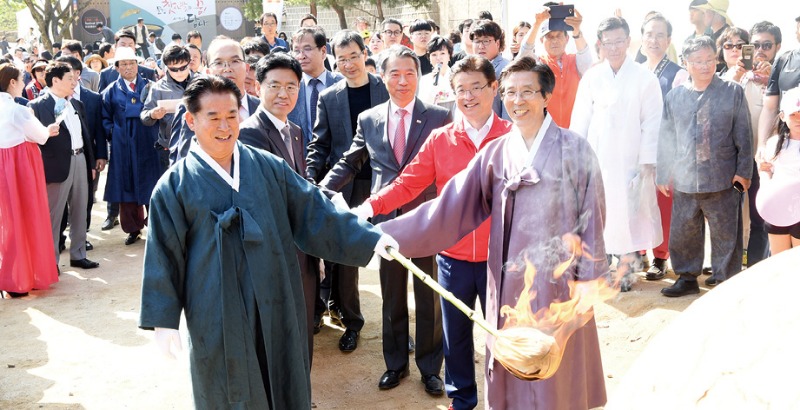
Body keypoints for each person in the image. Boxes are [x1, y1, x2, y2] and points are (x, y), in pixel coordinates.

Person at [139, 74, 397, 409]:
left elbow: (313, 209)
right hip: (216, 305)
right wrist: (164, 320)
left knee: (282, 371)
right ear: (190, 120)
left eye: (232, 115)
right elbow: (163, 255)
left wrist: (369, 238)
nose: (224, 126)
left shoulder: (268, 167)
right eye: (213, 117)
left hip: (276, 293)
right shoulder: (174, 185)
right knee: (227, 381)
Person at [378, 56, 608, 410]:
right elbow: (451, 206)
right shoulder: (497, 153)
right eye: (512, 92)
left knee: (556, 361)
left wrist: (588, 280)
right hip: (510, 281)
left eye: (528, 91)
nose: (518, 101)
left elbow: (593, 219)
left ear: (546, 95)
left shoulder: (575, 149)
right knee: (512, 358)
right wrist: (388, 234)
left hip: (560, 281)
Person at [353, 54, 511, 410]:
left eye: (476, 87)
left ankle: (504, 399)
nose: (468, 96)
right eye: (460, 90)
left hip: (499, 259)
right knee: (455, 337)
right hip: (452, 258)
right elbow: (408, 183)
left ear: (494, 88)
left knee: (501, 335)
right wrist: (369, 207)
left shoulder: (511, 138)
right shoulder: (442, 139)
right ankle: (463, 401)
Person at [320, 45, 449, 394]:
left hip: (425, 218)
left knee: (428, 296)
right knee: (392, 294)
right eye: (395, 73)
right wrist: (321, 189)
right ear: (383, 75)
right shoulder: (370, 118)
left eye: (410, 73)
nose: (403, 80)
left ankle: (430, 368)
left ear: (419, 77)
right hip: (386, 221)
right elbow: (351, 161)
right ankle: (395, 365)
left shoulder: (439, 116)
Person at [305, 29, 390, 352]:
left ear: (365, 54)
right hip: (346, 186)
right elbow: (320, 142)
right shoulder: (330, 97)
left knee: (391, 255)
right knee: (348, 258)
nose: (349, 64)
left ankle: (397, 328)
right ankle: (352, 322)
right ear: (334, 61)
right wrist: (311, 177)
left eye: (354, 56)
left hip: (385, 184)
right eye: (342, 59)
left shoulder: (386, 89)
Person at [238, 52, 323, 368]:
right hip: (272, 254)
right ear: (258, 86)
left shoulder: (297, 131)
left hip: (301, 251)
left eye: (291, 86)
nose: (283, 94)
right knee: (275, 339)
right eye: (274, 85)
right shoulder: (248, 134)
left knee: (301, 333)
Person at [570, 17, 663, 291]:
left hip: (631, 160)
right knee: (599, 215)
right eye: (607, 42)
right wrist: (578, 159)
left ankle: (626, 273)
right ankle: (600, 270)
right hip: (597, 160)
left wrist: (647, 162)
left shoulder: (644, 77)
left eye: (619, 41)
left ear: (628, 41)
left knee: (629, 216)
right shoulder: (591, 77)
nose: (614, 47)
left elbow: (652, 121)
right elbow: (580, 120)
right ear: (600, 44)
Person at [657, 36, 752, 296]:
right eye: (697, 61)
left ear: (716, 59)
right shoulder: (675, 96)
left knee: (725, 235)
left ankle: (726, 281)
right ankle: (687, 278)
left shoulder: (732, 92)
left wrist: (744, 171)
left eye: (709, 59)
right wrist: (663, 172)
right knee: (684, 233)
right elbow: (667, 136)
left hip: (723, 178)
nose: (704, 65)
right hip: (686, 179)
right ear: (686, 63)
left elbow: (743, 133)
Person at [28, 62, 99, 271]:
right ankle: (50, 261)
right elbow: (34, 139)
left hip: (80, 160)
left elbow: (86, 135)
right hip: (55, 165)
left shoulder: (77, 104)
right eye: (70, 78)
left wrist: (91, 162)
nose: (75, 81)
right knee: (54, 215)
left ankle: (78, 254)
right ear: (55, 80)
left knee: (80, 210)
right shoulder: (37, 106)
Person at [0, 63, 60, 298]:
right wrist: (50, 129)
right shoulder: (17, 109)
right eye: (21, 79)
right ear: (12, 83)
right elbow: (41, 135)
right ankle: (22, 278)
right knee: (27, 218)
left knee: (8, 220)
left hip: (5, 164)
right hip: (21, 165)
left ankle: (12, 276)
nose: (24, 83)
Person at [638, 14, 689, 280]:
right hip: (634, 149)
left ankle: (661, 257)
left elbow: (680, 118)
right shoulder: (633, 70)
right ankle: (638, 253)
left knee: (662, 205)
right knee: (636, 202)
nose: (654, 40)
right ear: (641, 39)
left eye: (660, 35)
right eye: (649, 34)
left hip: (664, 151)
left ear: (669, 40)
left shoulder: (678, 74)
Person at [101, 46, 161, 246]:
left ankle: (155, 226)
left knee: (152, 183)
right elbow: (105, 118)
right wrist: (114, 133)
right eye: (124, 64)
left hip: (148, 142)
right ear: (117, 68)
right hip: (123, 145)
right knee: (126, 188)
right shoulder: (110, 91)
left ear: (138, 65)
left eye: (132, 63)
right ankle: (132, 229)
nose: (128, 67)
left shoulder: (151, 86)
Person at [169, 37, 260, 164]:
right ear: (207, 71)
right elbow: (182, 161)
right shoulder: (189, 107)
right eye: (218, 63)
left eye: (235, 61)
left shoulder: (261, 108)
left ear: (247, 67)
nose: (227, 68)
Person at [519, 4, 591, 128]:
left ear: (567, 39)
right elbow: (524, 54)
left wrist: (577, 30)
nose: (555, 40)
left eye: (559, 36)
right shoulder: (538, 63)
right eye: (550, 37)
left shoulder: (575, 61)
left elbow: (586, 60)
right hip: (545, 131)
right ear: (542, 40)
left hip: (574, 131)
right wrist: (537, 24)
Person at [141, 45, 195, 174]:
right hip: (169, 148)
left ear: (189, 63)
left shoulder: (201, 82)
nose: (180, 72)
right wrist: (153, 115)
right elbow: (144, 115)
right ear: (166, 68)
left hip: (199, 144)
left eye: (183, 67)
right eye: (174, 69)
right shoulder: (158, 88)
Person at [759, 87, 800, 255]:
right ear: (782, 116)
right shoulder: (774, 143)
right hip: (777, 208)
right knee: (779, 260)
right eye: (793, 114)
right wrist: (766, 187)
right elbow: (765, 171)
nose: (799, 119)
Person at [288, 27, 344, 149]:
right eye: (296, 50)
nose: (301, 56)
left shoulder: (342, 83)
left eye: (307, 49)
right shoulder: (288, 88)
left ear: (323, 51)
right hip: (302, 163)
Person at [469, 20, 509, 119]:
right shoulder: (469, 69)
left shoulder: (506, 69)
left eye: (486, 41)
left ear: (498, 43)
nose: (481, 46)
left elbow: (508, 112)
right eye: (477, 41)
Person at [417, 36, 456, 109]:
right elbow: (422, 105)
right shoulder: (425, 79)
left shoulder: (457, 76)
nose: (438, 58)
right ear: (429, 58)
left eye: (442, 53)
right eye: (434, 55)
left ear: (449, 55)